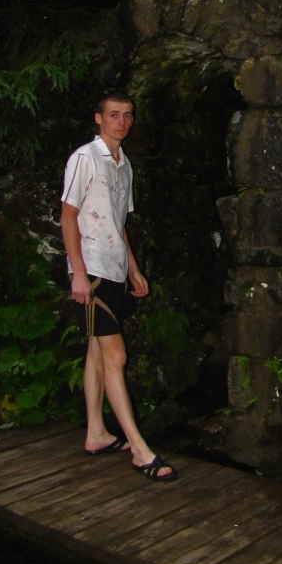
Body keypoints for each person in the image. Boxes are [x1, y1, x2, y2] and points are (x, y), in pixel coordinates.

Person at [60, 91, 176, 482]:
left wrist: (134, 270)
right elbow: (68, 216)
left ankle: (96, 433)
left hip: (114, 268)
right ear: (98, 118)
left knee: (96, 350)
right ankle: (140, 450)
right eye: (114, 114)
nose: (121, 121)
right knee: (116, 356)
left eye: (127, 115)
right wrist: (78, 273)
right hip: (92, 269)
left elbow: (118, 223)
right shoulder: (85, 157)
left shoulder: (124, 165)